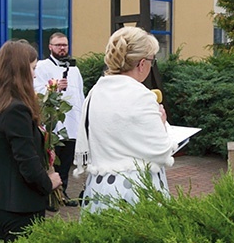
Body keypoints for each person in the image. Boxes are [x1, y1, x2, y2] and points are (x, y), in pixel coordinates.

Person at [75, 26, 176, 213]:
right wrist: (163, 125)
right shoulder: (142, 96)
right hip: (136, 190)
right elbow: (162, 151)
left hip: (99, 187)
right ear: (142, 63)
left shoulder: (94, 93)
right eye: (152, 61)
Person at [0, 40, 62, 243]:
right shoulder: (16, 109)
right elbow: (26, 159)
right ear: (20, 70)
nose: (34, 75)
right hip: (18, 203)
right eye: (32, 68)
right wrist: (48, 183)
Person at [33, 32, 84, 208]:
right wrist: (53, 87)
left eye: (65, 45)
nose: (62, 48)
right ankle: (49, 195)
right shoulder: (41, 66)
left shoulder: (74, 69)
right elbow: (36, 90)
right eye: (58, 45)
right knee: (52, 161)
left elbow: (79, 95)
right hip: (54, 123)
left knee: (66, 162)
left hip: (72, 123)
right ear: (50, 47)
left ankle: (63, 193)